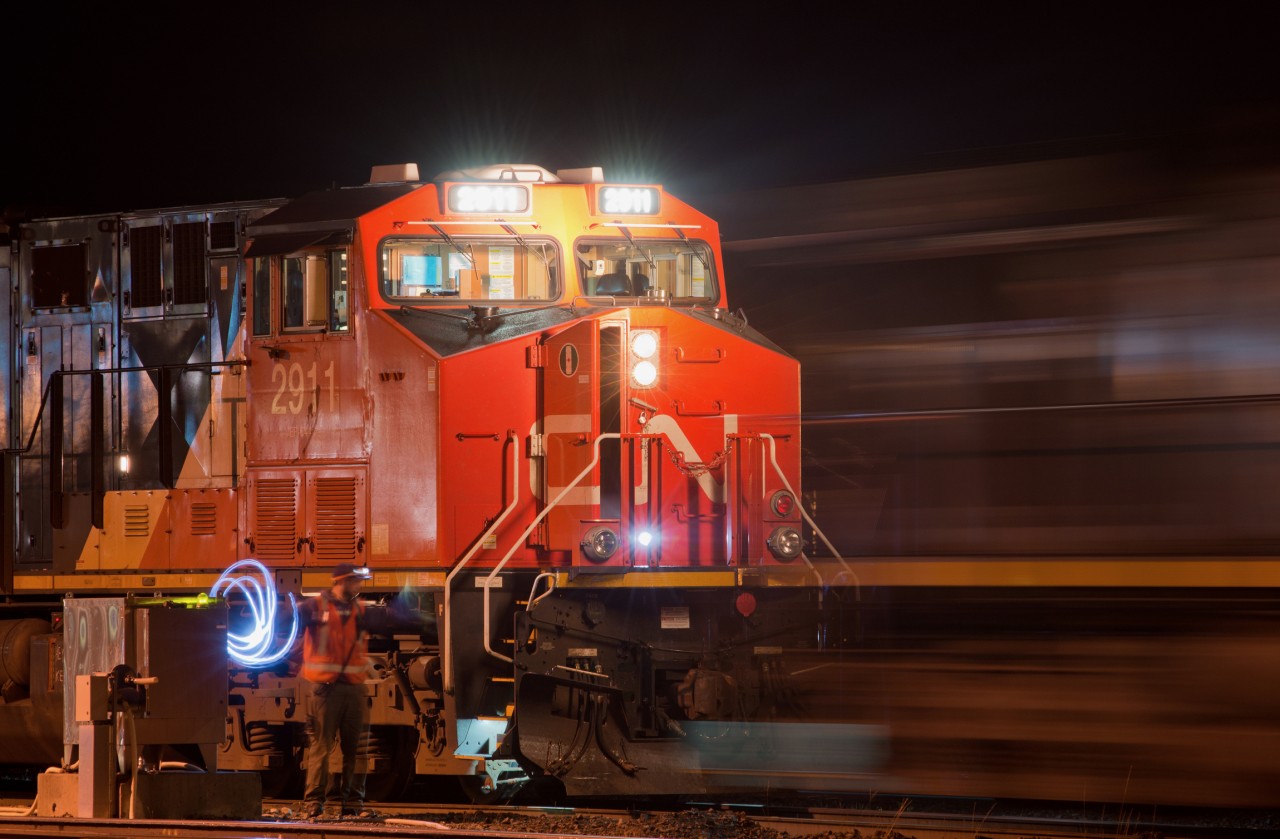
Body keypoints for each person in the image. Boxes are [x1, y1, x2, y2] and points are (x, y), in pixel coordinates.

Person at [296, 563, 413, 818]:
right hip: (324, 689)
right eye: (355, 582)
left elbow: (391, 619)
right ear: (342, 581)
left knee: (357, 749)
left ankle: (353, 804)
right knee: (321, 747)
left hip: (353, 688)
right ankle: (314, 803)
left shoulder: (360, 611)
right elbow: (285, 619)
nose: (360, 586)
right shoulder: (313, 607)